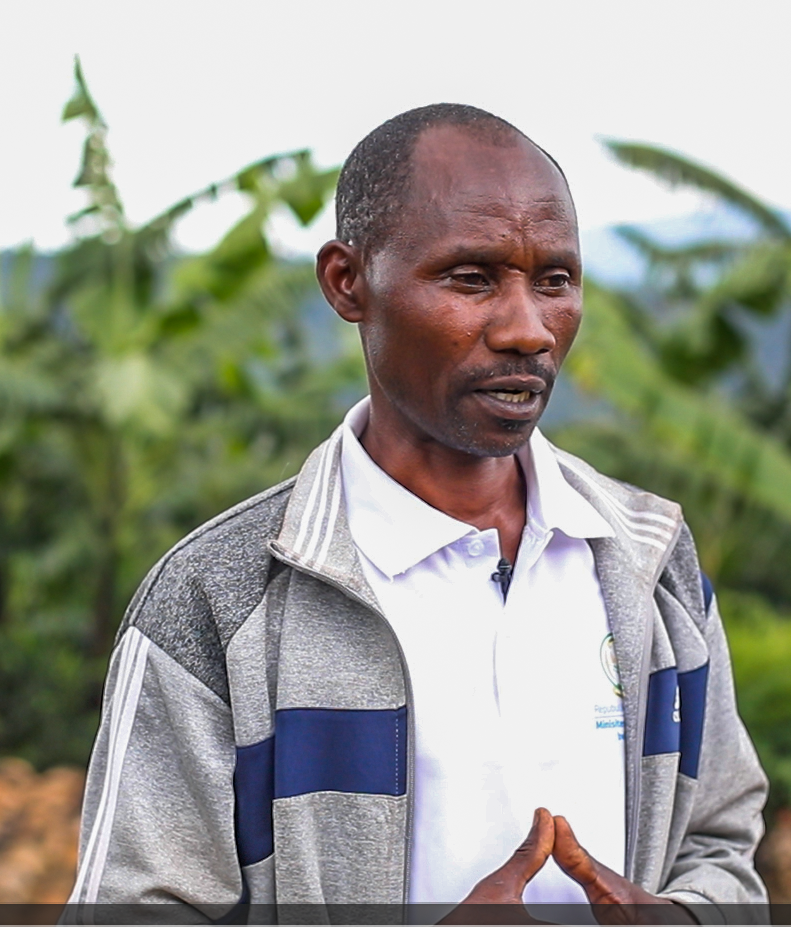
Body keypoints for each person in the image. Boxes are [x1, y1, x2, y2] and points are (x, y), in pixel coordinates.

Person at [66, 105, 768, 924]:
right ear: (346, 282)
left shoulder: (649, 562)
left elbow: (719, 846)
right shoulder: (217, 601)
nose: (527, 329)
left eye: (555, 280)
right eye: (471, 279)